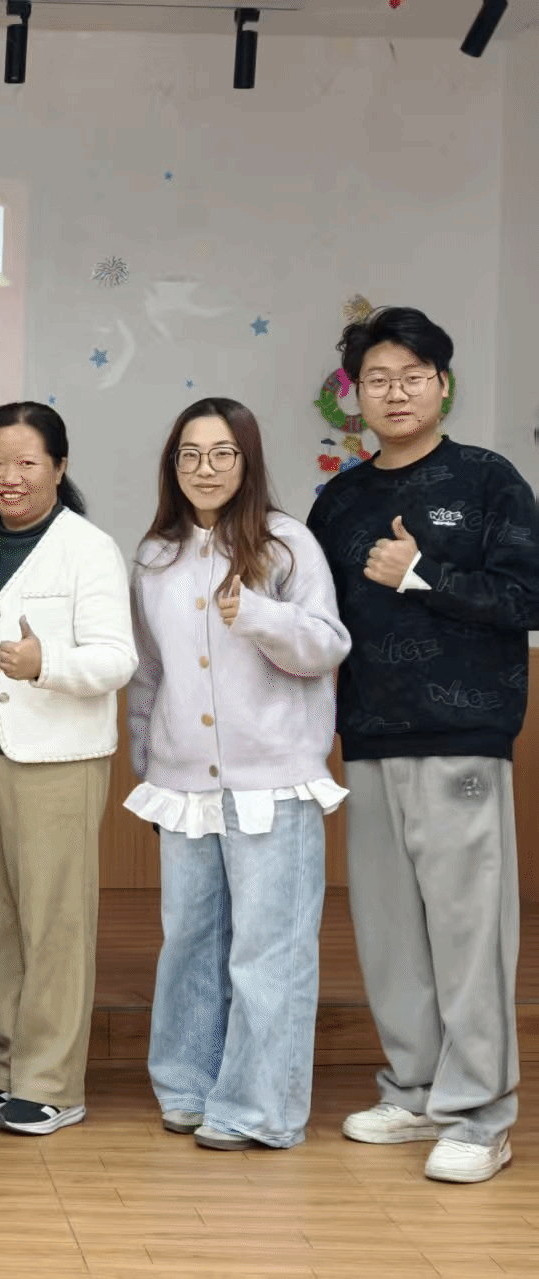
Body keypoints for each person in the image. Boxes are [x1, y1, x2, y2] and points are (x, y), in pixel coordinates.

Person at [308, 307, 539, 1183]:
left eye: (412, 375)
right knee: (390, 929)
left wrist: (422, 575)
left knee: (468, 928)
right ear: (356, 395)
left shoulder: (488, 480)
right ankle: (413, 1089)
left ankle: (480, 1113)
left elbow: (527, 595)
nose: (395, 391)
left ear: (442, 383)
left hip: (464, 739)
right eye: (378, 378)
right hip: (367, 737)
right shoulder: (340, 501)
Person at [127, 397, 351, 1152]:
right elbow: (149, 674)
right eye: (190, 454)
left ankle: (262, 1108)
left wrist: (257, 615)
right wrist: (150, 768)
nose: (205, 468)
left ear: (247, 460)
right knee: (189, 944)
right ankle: (188, 1086)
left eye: (222, 453)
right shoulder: (155, 555)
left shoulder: (287, 543)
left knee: (268, 951)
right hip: (184, 784)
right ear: (173, 464)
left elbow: (326, 645)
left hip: (273, 783)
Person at [0, 401, 136, 1136]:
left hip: (56, 758)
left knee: (53, 922)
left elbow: (117, 658)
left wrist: (45, 664)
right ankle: (8, 1063)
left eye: (27, 462)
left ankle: (53, 1081)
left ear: (59, 468)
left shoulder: (88, 548)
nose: (10, 476)